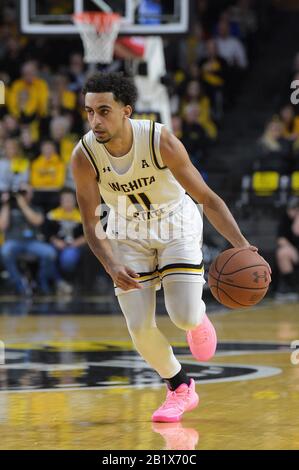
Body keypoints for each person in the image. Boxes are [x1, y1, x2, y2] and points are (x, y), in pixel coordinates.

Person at [71, 72, 270, 423]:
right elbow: (90, 223)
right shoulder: (84, 155)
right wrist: (111, 264)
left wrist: (243, 246)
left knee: (183, 316)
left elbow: (206, 198)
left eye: (103, 111)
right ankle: (180, 387)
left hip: (175, 225)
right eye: (89, 112)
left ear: (126, 111)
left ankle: (197, 319)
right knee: (139, 327)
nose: (95, 120)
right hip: (127, 234)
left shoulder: (159, 140)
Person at [0, 183, 57, 295]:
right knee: (5, 251)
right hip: (14, 242)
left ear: (31, 194)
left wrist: (23, 205)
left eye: (26, 192)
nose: (23, 195)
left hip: (33, 242)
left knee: (50, 253)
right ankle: (20, 284)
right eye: (21, 192)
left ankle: (41, 282)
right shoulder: (10, 209)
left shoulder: (36, 208)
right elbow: (2, 226)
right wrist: (6, 204)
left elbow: (37, 221)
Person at [276, 196, 299, 297]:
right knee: (282, 253)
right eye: (289, 209)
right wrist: (292, 249)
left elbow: (296, 231)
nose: (290, 211)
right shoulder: (285, 218)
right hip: (294, 251)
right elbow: (281, 239)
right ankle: (291, 289)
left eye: (293, 209)